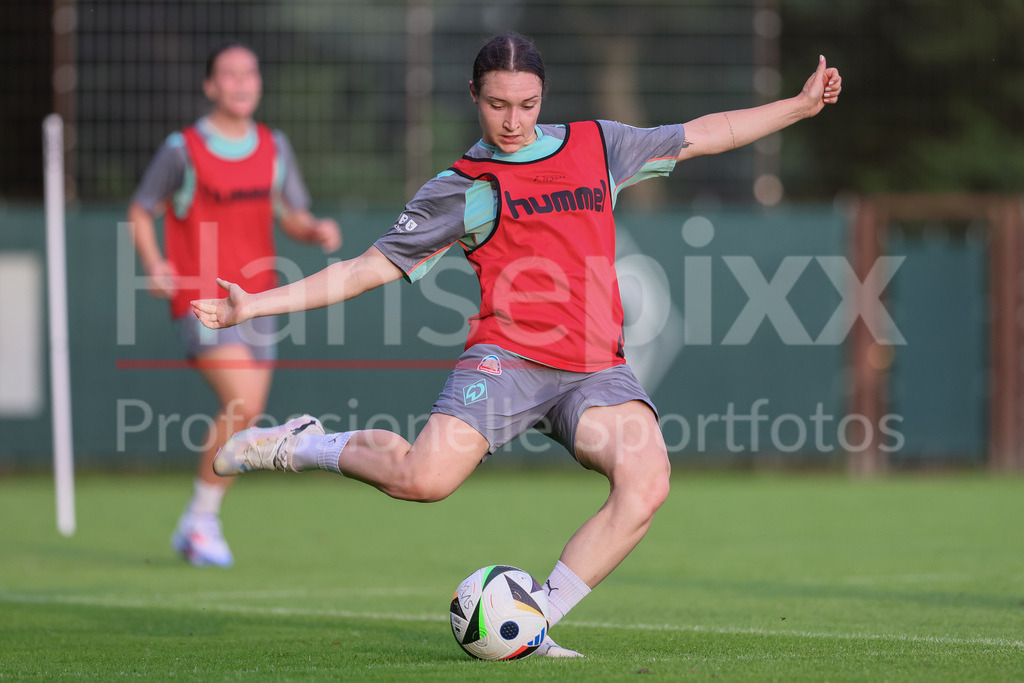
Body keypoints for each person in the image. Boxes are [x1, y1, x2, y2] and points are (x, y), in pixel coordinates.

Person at [192, 33, 841, 653]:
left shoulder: (598, 146)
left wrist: (801, 105)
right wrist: (257, 301)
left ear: (544, 97)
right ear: (474, 94)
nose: (513, 119)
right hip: (507, 361)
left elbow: (704, 134)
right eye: (498, 104)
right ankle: (302, 442)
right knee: (423, 480)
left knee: (646, 484)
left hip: (594, 369)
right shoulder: (463, 186)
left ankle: (534, 623)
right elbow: (365, 269)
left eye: (527, 104)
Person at [127, 41, 341, 567]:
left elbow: (290, 213)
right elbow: (140, 209)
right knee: (243, 402)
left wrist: (311, 229)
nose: (242, 82)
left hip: (257, 300)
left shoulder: (274, 145)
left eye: (250, 73)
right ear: (210, 86)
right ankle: (201, 523)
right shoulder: (183, 149)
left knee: (245, 412)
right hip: (200, 299)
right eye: (229, 74)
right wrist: (155, 263)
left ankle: (198, 519)